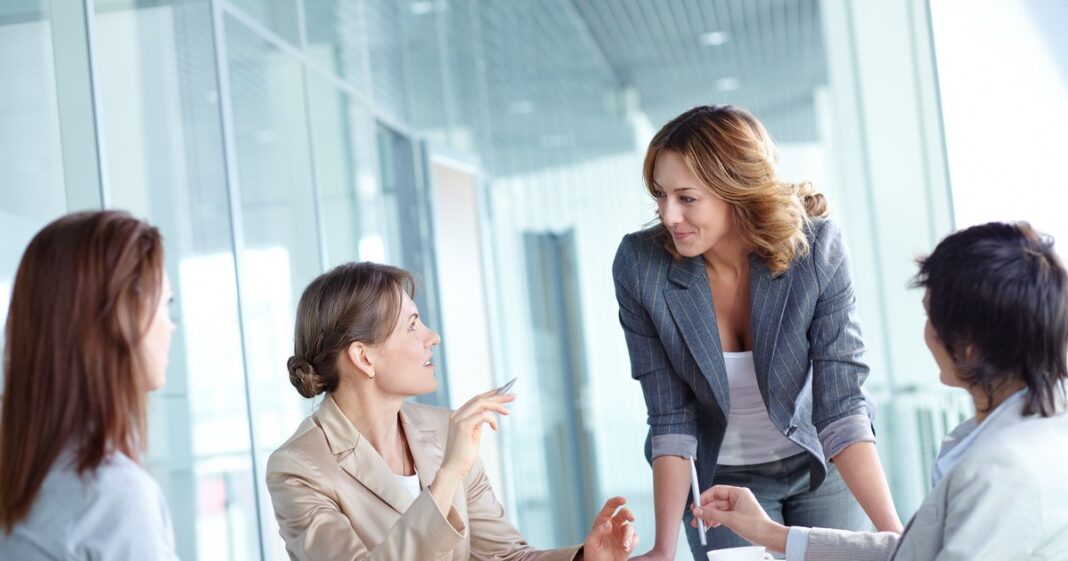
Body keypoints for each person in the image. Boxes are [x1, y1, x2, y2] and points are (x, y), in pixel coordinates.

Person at [612, 105, 902, 561]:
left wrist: (897, 540)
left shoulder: (816, 250)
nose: (669, 215)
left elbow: (842, 404)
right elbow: (670, 416)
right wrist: (662, 550)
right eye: (661, 196)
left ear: (736, 190)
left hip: (822, 462)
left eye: (686, 198)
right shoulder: (641, 266)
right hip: (723, 478)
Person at [692, 221, 1068, 560]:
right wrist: (769, 533)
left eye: (929, 315)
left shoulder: (1001, 471)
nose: (926, 333)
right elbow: (915, 552)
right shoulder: (1032, 435)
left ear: (967, 346)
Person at [266, 262, 638, 560]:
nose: (432, 337)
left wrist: (584, 559)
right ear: (364, 357)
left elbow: (504, 555)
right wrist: (448, 475)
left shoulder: (445, 429)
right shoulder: (299, 468)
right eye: (412, 326)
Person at [0, 211, 180, 560]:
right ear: (119, 319)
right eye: (165, 302)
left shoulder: (24, 483)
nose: (170, 325)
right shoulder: (113, 498)